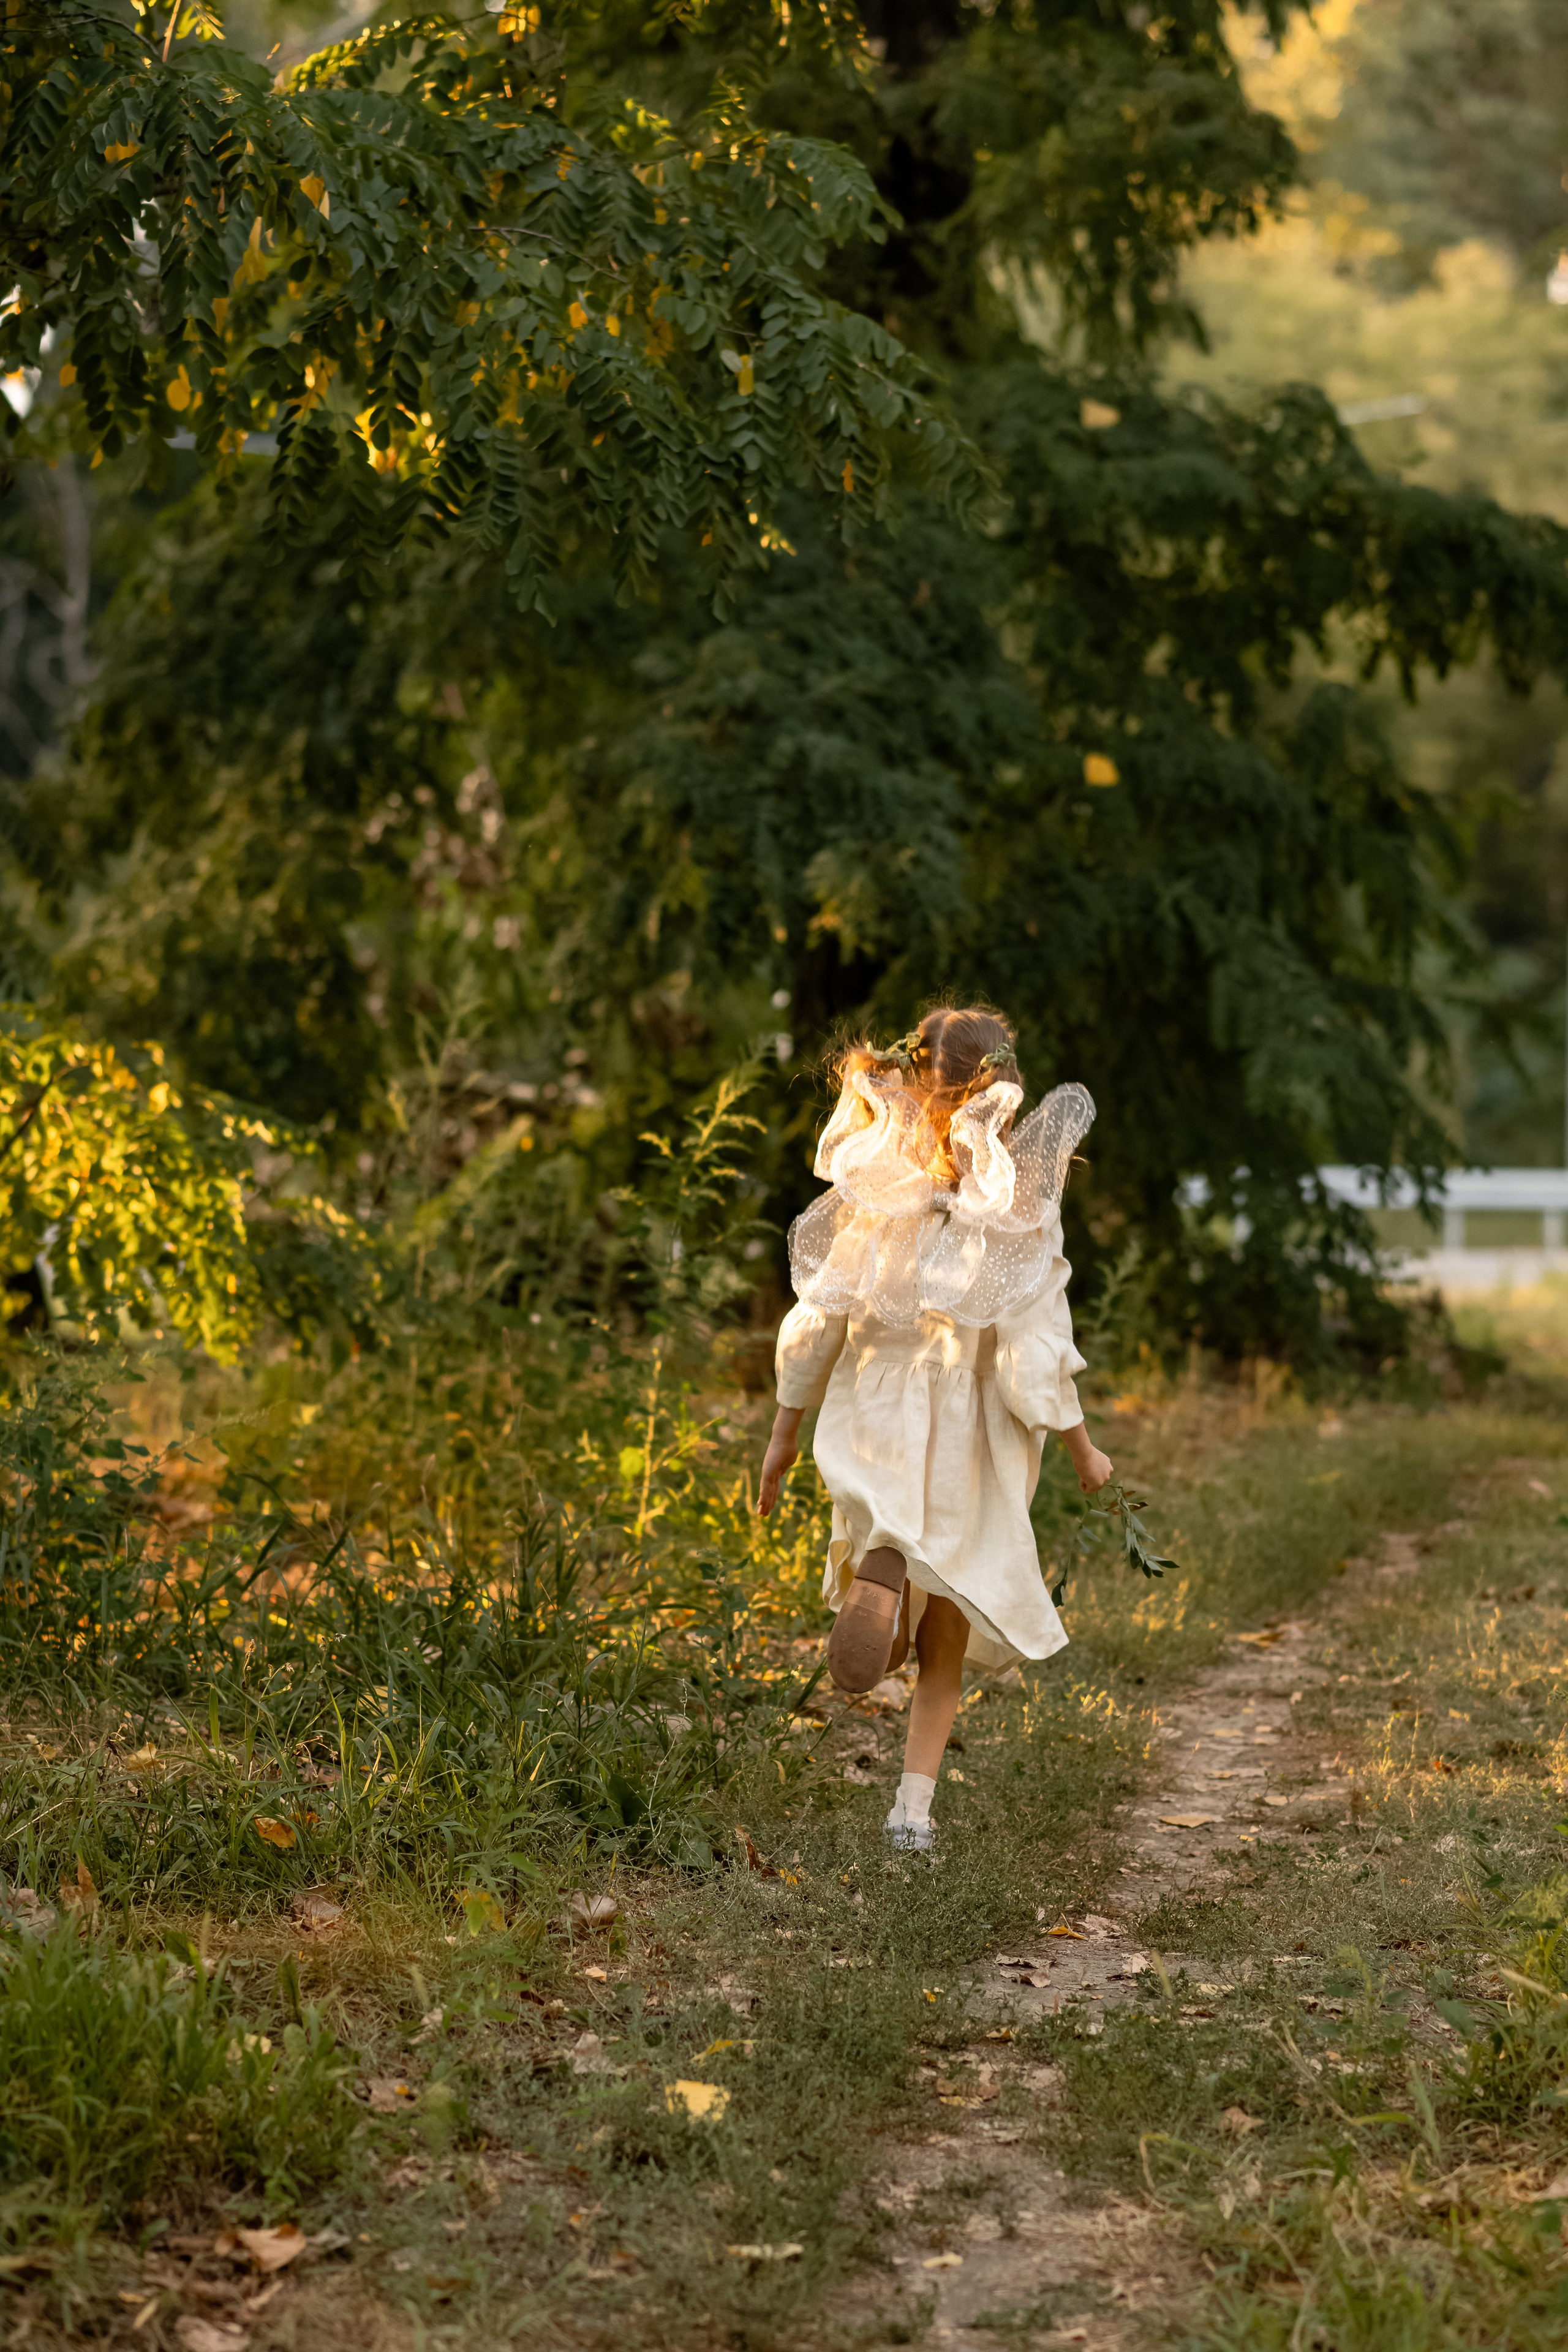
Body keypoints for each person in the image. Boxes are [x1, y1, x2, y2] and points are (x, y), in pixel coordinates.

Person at [756, 1005, 1112, 1853]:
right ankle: (911, 1812)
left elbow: (820, 1317)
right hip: (966, 1430)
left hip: (877, 1413)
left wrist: (782, 1432)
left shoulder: (873, 1189)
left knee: (892, 1564)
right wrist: (1082, 1448)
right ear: (1005, 1094)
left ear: (914, 1079)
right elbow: (1035, 1352)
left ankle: (881, 1583)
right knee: (950, 1609)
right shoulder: (1014, 1204)